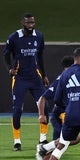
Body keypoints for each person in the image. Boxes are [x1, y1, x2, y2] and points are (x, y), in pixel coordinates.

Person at [23, 55, 78, 160]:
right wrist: (41, 114)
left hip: (69, 115)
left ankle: (38, 159)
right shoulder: (61, 79)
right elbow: (43, 97)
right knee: (64, 144)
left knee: (67, 142)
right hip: (60, 116)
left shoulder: (73, 77)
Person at [3, 12, 50, 151]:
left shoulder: (39, 36)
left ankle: (43, 138)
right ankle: (17, 141)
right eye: (28, 23)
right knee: (17, 110)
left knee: (45, 107)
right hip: (19, 79)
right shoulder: (14, 37)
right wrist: (9, 69)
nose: (31, 25)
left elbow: (40, 57)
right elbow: (6, 55)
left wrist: (44, 75)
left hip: (36, 78)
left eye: (33, 23)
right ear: (22, 23)